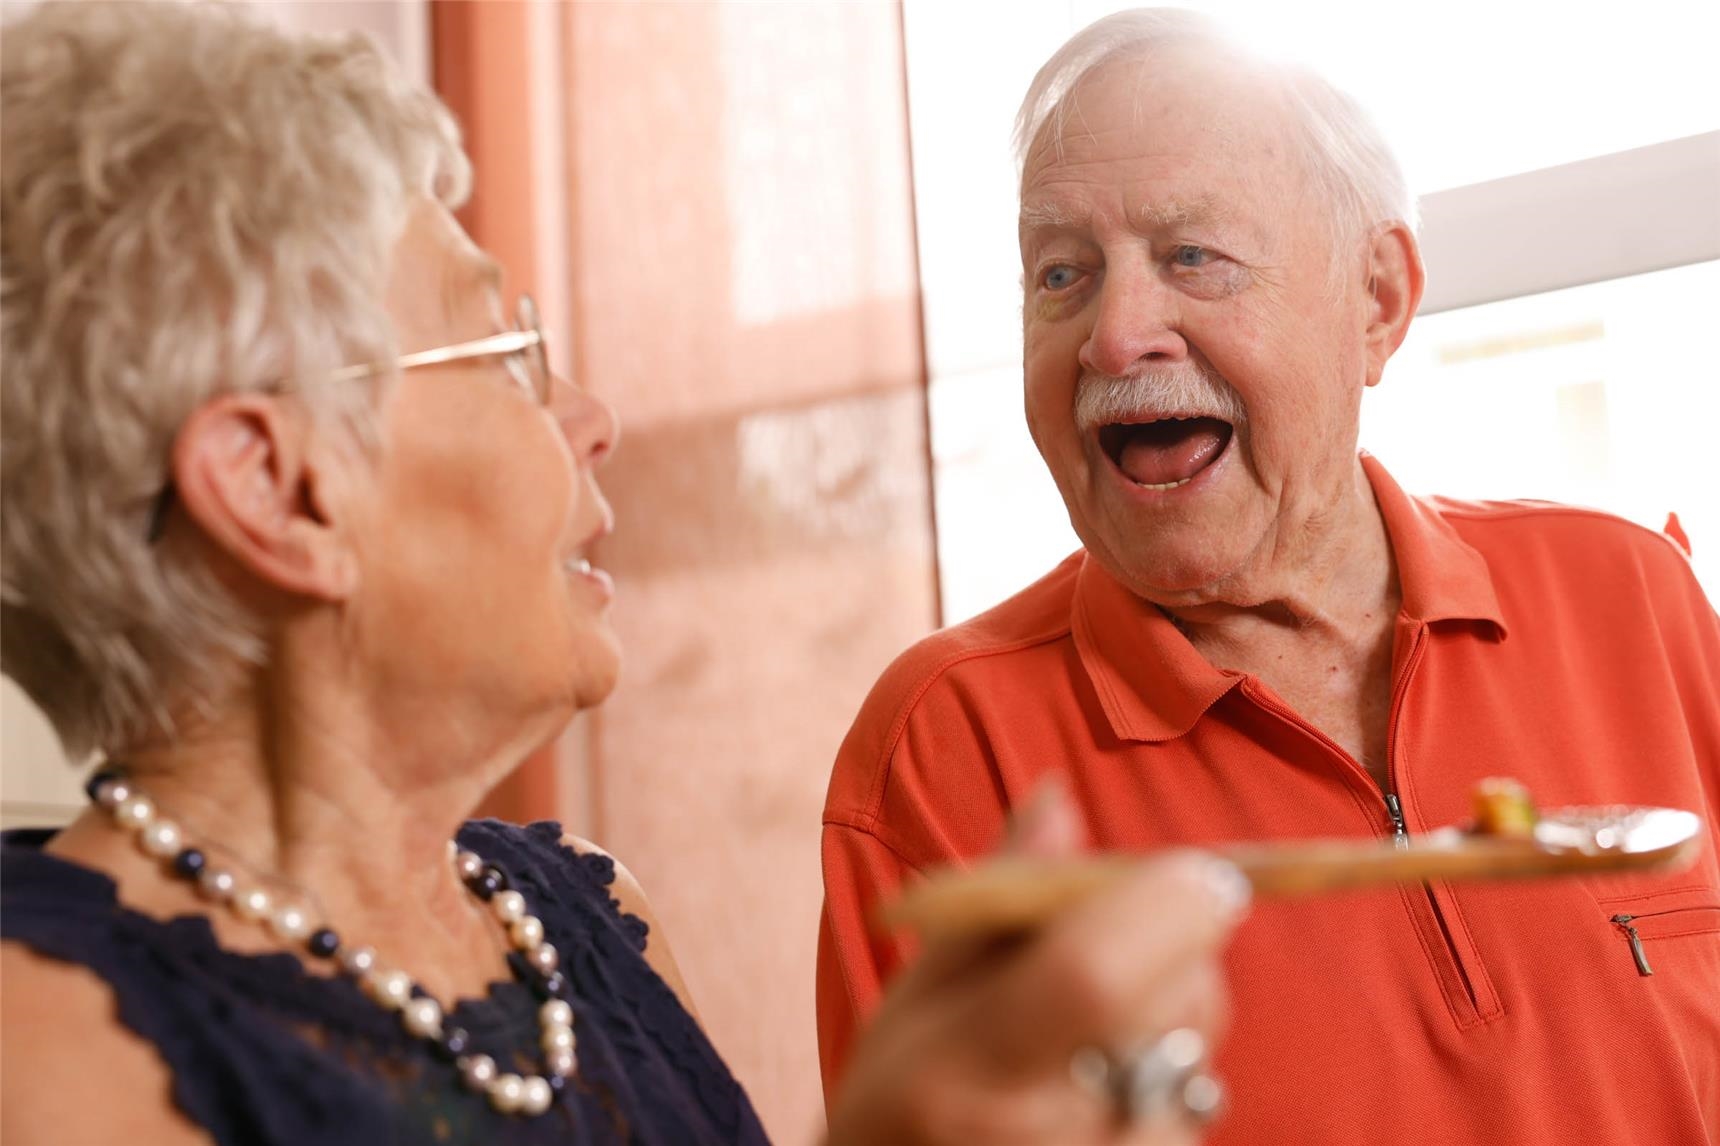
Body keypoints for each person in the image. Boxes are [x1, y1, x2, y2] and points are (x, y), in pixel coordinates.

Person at [0, 4, 1249, 1144]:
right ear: (279, 490)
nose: (592, 417)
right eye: (509, 353)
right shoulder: (41, 1044)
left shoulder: (589, 923)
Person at [817, 8, 1720, 1145]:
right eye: (1062, 274)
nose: (1114, 335)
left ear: (1377, 300)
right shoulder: (944, 747)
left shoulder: (1632, 594)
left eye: (1193, 256)